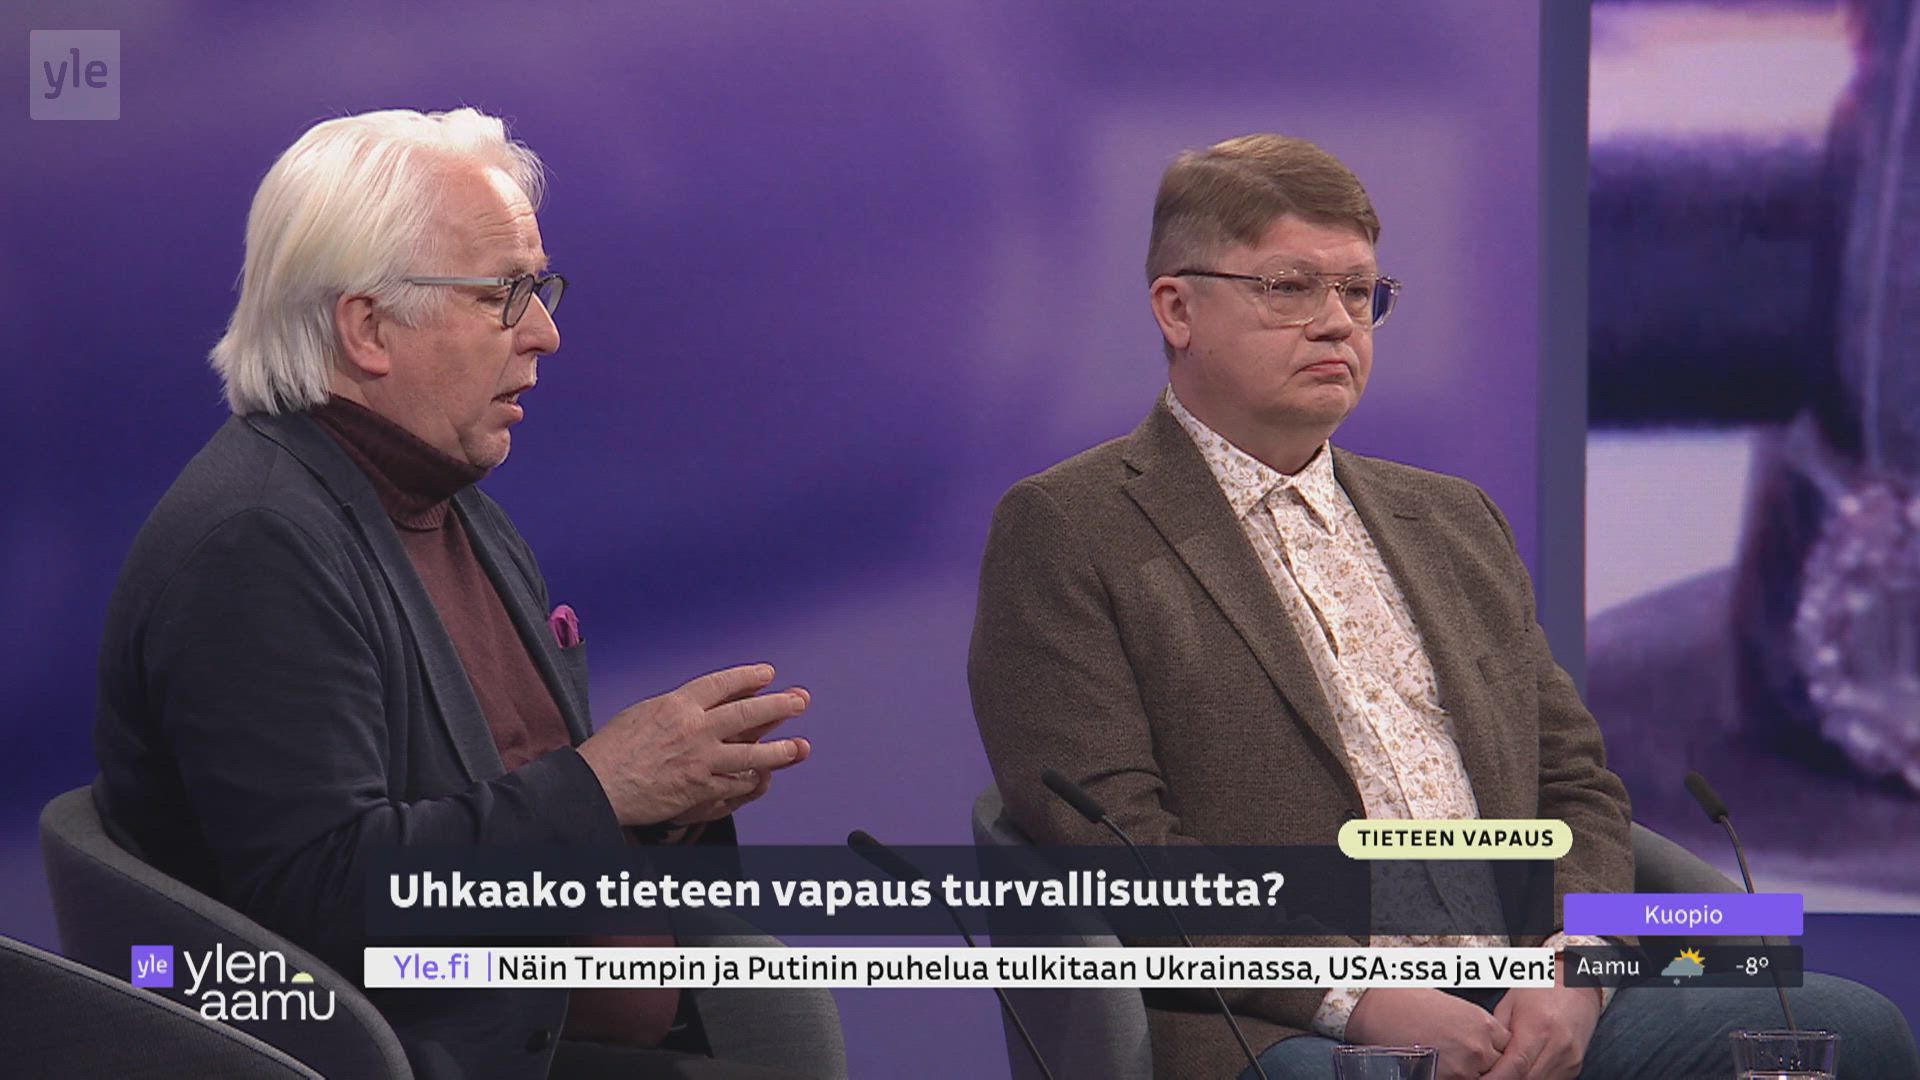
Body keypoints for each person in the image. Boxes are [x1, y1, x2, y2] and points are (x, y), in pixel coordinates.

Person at [967, 134, 1918, 1080]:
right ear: (1178, 308)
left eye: (1358, 292)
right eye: (1289, 288)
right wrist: (1360, 998)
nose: (1337, 324)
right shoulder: (1071, 527)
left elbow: (1575, 786)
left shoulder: (1453, 519)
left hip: (1530, 989)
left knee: (1855, 1028)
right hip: (1283, 1019)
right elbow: (1113, 840)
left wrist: (1579, 971)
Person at [94, 108, 813, 1080]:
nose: (546, 333)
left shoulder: (452, 506)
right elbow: (324, 897)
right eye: (505, 293)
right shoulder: (256, 546)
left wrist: (659, 805)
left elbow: (499, 806)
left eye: (539, 288)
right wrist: (604, 787)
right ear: (368, 328)